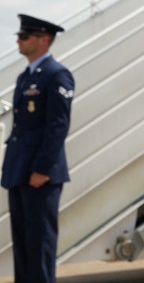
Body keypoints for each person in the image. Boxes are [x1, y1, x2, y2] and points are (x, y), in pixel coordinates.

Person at [2, 14, 74, 283]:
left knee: (39, 244)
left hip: (39, 175)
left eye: (25, 36)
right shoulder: (25, 77)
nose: (19, 41)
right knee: (22, 245)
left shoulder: (57, 75)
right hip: (19, 170)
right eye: (19, 36)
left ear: (43, 40)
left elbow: (57, 126)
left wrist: (42, 169)